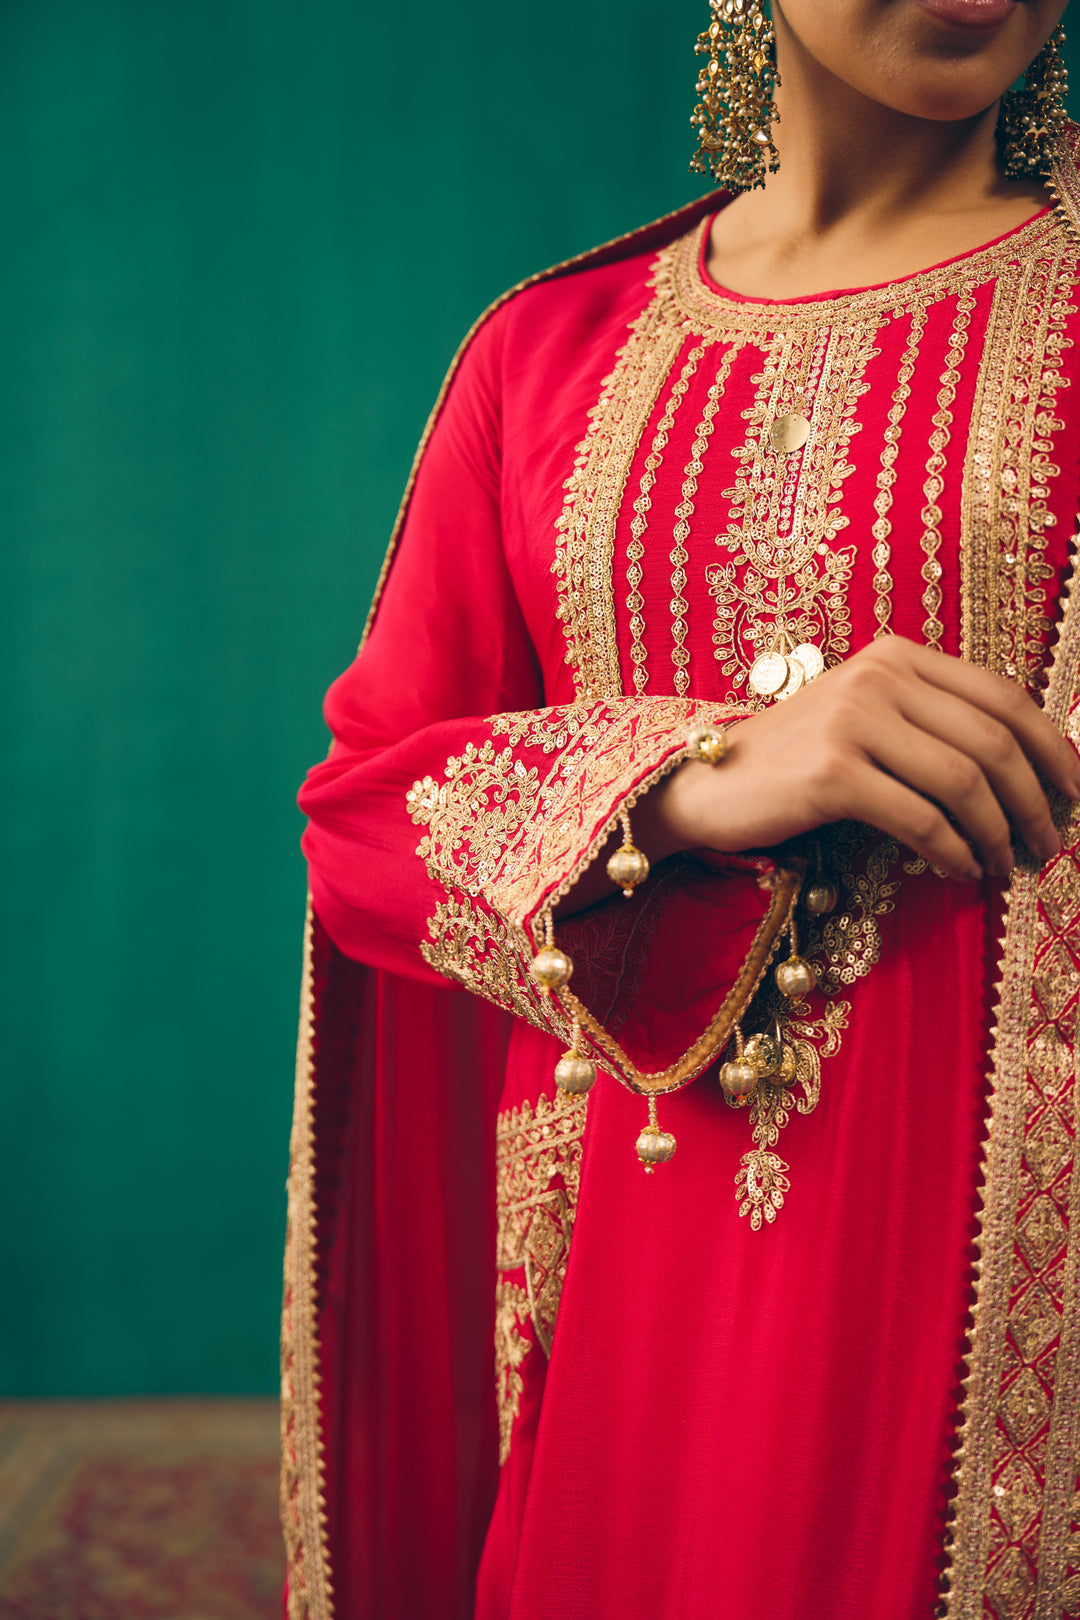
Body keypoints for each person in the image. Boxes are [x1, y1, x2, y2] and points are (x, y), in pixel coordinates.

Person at [281, 2, 1080, 1615]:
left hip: (998, 1331)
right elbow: (366, 833)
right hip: (628, 1314)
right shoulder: (551, 352)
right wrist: (701, 776)